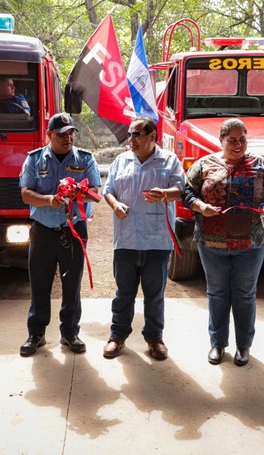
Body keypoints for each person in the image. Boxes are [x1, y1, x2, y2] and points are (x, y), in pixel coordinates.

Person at [183, 118, 264, 366]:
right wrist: (199, 206)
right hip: (212, 242)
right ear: (221, 141)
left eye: (242, 140)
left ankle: (243, 346)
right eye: (232, 140)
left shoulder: (261, 164)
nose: (238, 145)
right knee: (217, 293)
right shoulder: (204, 164)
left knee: (244, 295)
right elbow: (186, 191)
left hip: (250, 243)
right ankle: (217, 344)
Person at [18, 112, 101, 357]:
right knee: (40, 284)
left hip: (73, 230)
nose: (68, 139)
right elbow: (25, 193)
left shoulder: (85, 159)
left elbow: (95, 191)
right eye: (62, 135)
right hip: (43, 231)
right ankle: (36, 333)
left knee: (72, 284)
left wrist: (78, 192)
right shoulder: (34, 159)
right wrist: (48, 200)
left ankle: (70, 332)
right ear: (49, 135)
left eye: (71, 133)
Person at [102, 116, 185, 360]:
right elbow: (108, 191)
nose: (131, 139)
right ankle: (117, 336)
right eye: (130, 134)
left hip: (157, 240)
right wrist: (115, 204)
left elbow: (181, 190)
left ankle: (154, 338)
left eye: (137, 134)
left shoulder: (169, 160)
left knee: (154, 294)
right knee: (124, 292)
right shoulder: (121, 160)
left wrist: (164, 194)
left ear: (153, 137)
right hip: (126, 240)